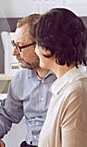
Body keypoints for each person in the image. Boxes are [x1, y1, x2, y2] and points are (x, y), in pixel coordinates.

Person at [0, 14, 56, 147]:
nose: (14, 53)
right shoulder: (21, 78)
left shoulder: (68, 80)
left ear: (40, 45)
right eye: (14, 44)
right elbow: (6, 114)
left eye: (20, 46)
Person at [35, 8, 87, 147]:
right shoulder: (65, 86)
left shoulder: (76, 93)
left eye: (37, 44)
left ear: (48, 48)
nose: (35, 50)